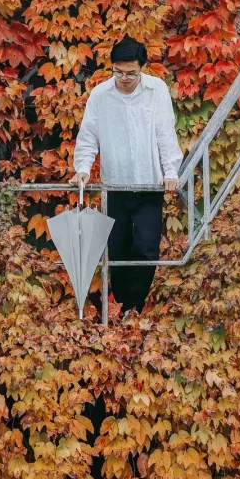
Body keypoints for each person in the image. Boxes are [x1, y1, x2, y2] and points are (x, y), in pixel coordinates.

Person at [71, 37, 183, 316]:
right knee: (117, 249)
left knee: (146, 248)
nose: (123, 78)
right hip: (114, 186)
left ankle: (136, 305)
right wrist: (83, 168)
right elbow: (88, 136)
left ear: (141, 68)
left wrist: (171, 171)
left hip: (149, 185)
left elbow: (166, 133)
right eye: (118, 72)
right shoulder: (100, 95)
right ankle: (122, 306)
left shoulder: (156, 90)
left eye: (130, 73)